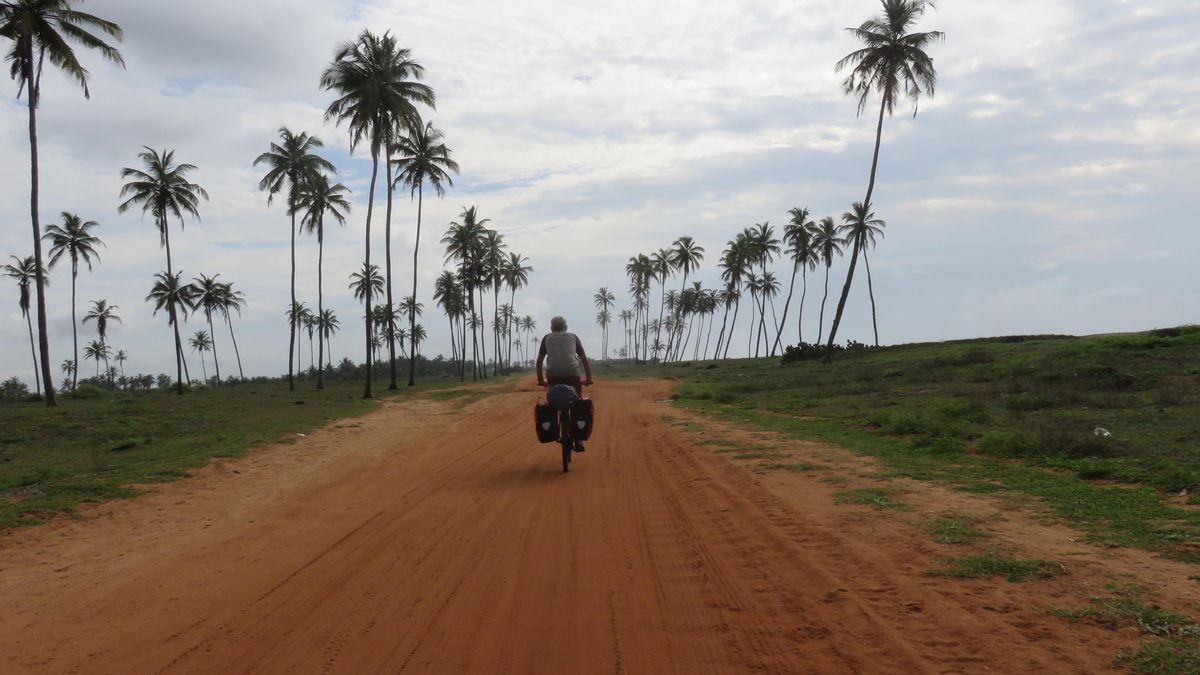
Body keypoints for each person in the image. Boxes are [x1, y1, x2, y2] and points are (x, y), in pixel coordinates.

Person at [536, 316, 594, 451]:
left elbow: (539, 361)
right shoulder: (573, 337)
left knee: (552, 402)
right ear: (566, 327)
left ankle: (553, 428)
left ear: (551, 328)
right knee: (577, 401)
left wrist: (540, 380)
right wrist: (589, 378)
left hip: (552, 376)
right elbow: (584, 359)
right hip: (572, 375)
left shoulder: (546, 338)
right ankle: (578, 440)